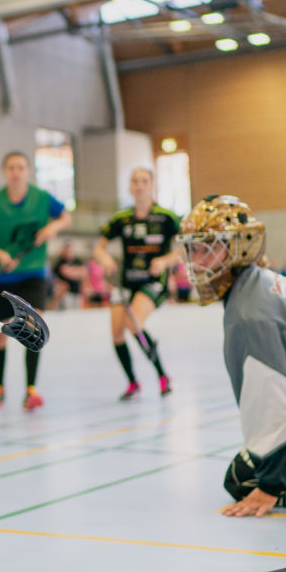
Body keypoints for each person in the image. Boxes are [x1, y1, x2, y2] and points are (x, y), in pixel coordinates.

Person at [176, 196, 286, 515]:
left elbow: (274, 400)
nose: (195, 260)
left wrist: (271, 484)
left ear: (239, 247)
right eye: (192, 249)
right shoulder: (260, 284)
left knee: (243, 481)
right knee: (256, 461)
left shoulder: (249, 314)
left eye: (207, 248)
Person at [0, 151, 71, 409]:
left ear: (27, 171)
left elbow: (66, 217)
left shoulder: (41, 198)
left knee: (33, 327)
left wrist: (52, 228)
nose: (16, 172)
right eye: (11, 168)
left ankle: (31, 389)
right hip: (2, 276)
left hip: (33, 274)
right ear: (5, 172)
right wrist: (1, 254)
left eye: (20, 167)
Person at [93, 167, 181, 399]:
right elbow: (98, 247)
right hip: (126, 282)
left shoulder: (167, 217)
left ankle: (162, 375)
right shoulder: (122, 218)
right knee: (117, 334)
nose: (139, 185)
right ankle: (133, 382)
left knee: (135, 325)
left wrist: (165, 260)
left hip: (153, 282)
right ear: (130, 187)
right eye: (135, 181)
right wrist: (104, 258)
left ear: (152, 185)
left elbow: (185, 249)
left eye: (144, 181)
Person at [51, 241, 86, 310]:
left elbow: (84, 272)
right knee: (67, 311)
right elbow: (66, 272)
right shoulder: (60, 262)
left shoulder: (77, 260)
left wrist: (72, 271)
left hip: (77, 292)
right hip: (66, 293)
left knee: (77, 312)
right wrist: (77, 271)